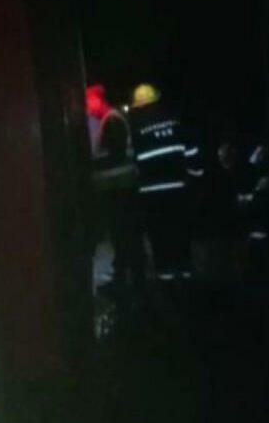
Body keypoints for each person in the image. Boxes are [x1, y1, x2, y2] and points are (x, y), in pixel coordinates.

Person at [128, 82, 203, 283]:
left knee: (159, 232)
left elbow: (133, 162)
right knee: (181, 229)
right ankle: (185, 269)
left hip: (150, 192)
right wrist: (195, 175)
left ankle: (165, 274)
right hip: (178, 187)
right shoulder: (174, 122)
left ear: (138, 106)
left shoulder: (135, 130)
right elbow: (191, 152)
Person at [85, 84, 142, 303]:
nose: (87, 108)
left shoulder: (111, 120)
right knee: (124, 236)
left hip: (118, 188)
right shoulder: (109, 120)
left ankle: (128, 282)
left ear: (98, 100)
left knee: (124, 235)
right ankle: (128, 280)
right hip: (120, 187)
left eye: (89, 102)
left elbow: (110, 156)